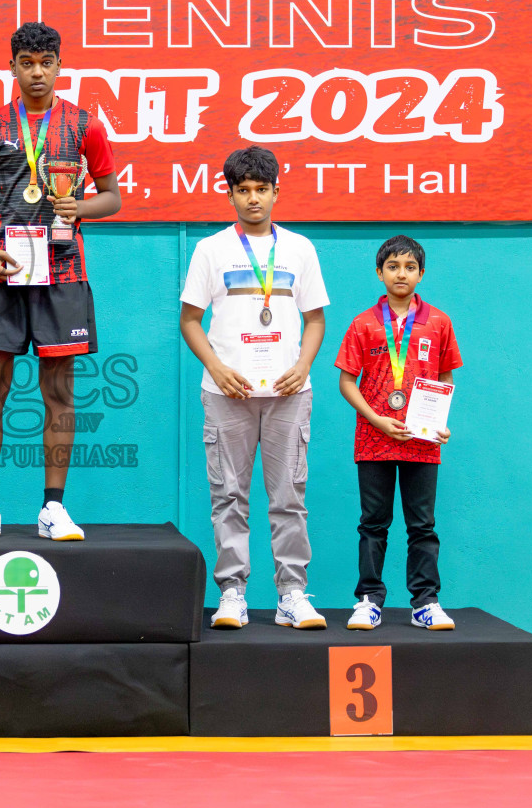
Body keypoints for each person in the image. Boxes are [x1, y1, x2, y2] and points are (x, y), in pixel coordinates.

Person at [0, 21, 120, 542]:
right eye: (26, 63)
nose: (37, 72)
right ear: (12, 67)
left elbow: (112, 198)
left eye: (46, 63)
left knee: (60, 395)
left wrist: (81, 205)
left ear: (59, 65)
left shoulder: (85, 125)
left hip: (63, 273)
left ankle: (53, 509)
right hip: (1, 272)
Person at [179, 146, 329, 630]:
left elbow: (315, 320)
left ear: (276, 191)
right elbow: (190, 321)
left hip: (289, 393)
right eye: (242, 191)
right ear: (230, 195)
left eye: (261, 190)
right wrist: (217, 368)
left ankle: (291, 594)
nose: (252, 199)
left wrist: (303, 366)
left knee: (289, 496)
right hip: (227, 395)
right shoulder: (211, 249)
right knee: (228, 496)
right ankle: (233, 594)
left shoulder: (300, 249)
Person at [335, 235, 461, 630]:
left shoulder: (439, 322)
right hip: (374, 440)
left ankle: (425, 601)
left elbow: (445, 377)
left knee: (422, 524)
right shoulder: (364, 323)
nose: (401, 273)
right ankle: (369, 599)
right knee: (373, 522)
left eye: (409, 267)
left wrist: (440, 422)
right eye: (393, 266)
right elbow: (346, 382)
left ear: (421, 274)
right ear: (379, 273)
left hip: (422, 442)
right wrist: (376, 418)